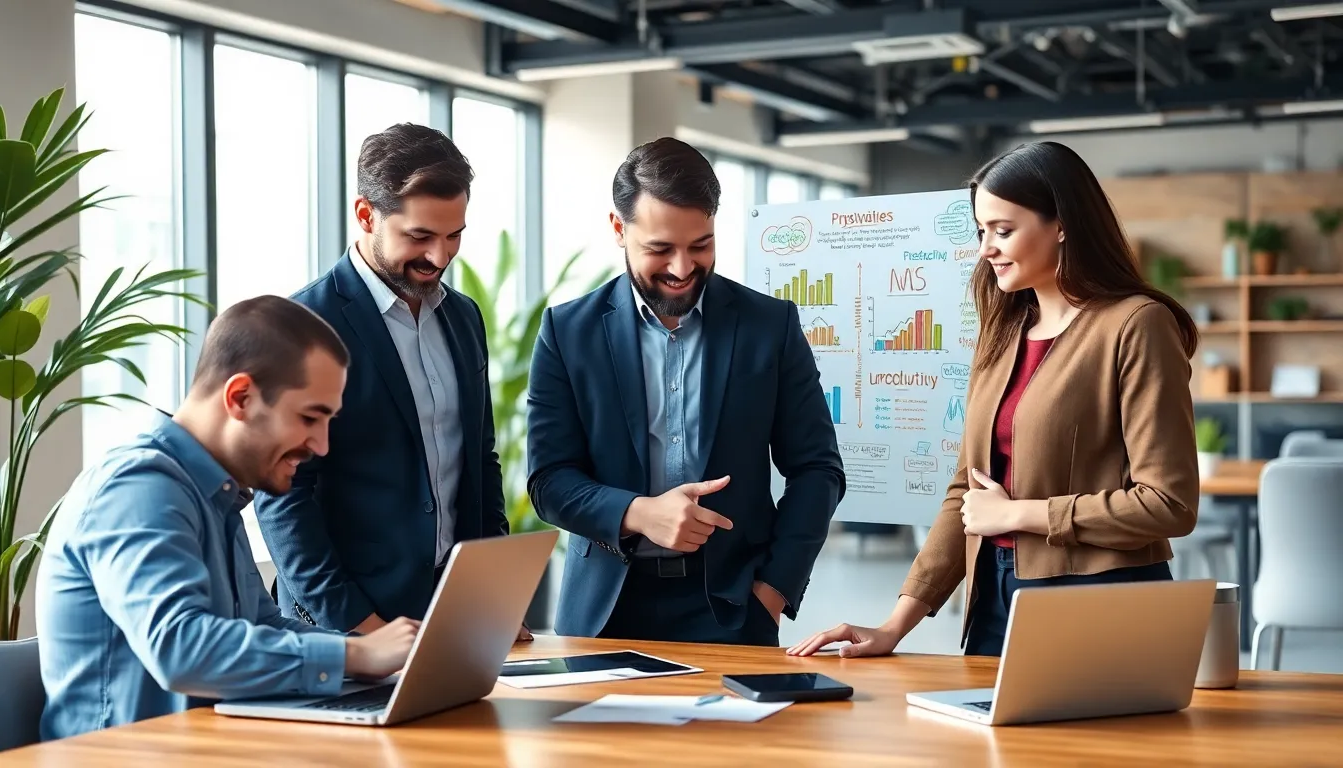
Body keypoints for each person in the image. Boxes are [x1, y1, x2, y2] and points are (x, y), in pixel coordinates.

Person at [788, 140, 1201, 659]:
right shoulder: (1004, 328)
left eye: (1003, 231)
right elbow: (969, 491)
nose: (986, 247)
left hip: (1101, 601)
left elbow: (1169, 505)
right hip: (993, 596)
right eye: (982, 231)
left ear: (1062, 225)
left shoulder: (1136, 325)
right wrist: (895, 626)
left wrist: (1021, 516)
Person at [35, 297, 421, 741]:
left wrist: (374, 653)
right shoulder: (139, 487)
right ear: (240, 397)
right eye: (309, 417)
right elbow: (179, 648)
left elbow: (264, 626)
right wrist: (353, 657)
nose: (322, 445)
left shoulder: (217, 491)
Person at [526, 137, 846, 646]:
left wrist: (773, 591)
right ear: (618, 229)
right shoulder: (568, 332)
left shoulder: (770, 326)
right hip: (603, 615)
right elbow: (549, 480)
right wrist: (639, 513)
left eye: (700, 245)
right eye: (659, 249)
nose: (681, 268)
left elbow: (817, 469)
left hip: (735, 609)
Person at [252, 124, 521, 639]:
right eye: (419, 236)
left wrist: (493, 597)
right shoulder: (304, 323)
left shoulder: (463, 318)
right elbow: (284, 498)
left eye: (454, 235)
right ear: (365, 215)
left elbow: (479, 463)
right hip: (344, 630)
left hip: (454, 619)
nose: (440, 257)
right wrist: (361, 627)